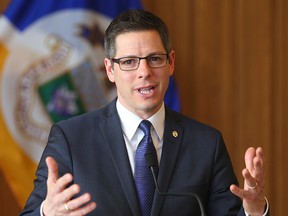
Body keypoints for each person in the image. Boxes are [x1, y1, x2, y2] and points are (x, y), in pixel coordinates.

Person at [20, 9, 269, 216]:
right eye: (129, 62)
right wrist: (46, 212)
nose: (144, 72)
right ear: (109, 69)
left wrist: (254, 210)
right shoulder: (71, 139)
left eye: (154, 59)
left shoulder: (206, 143)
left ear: (170, 62)